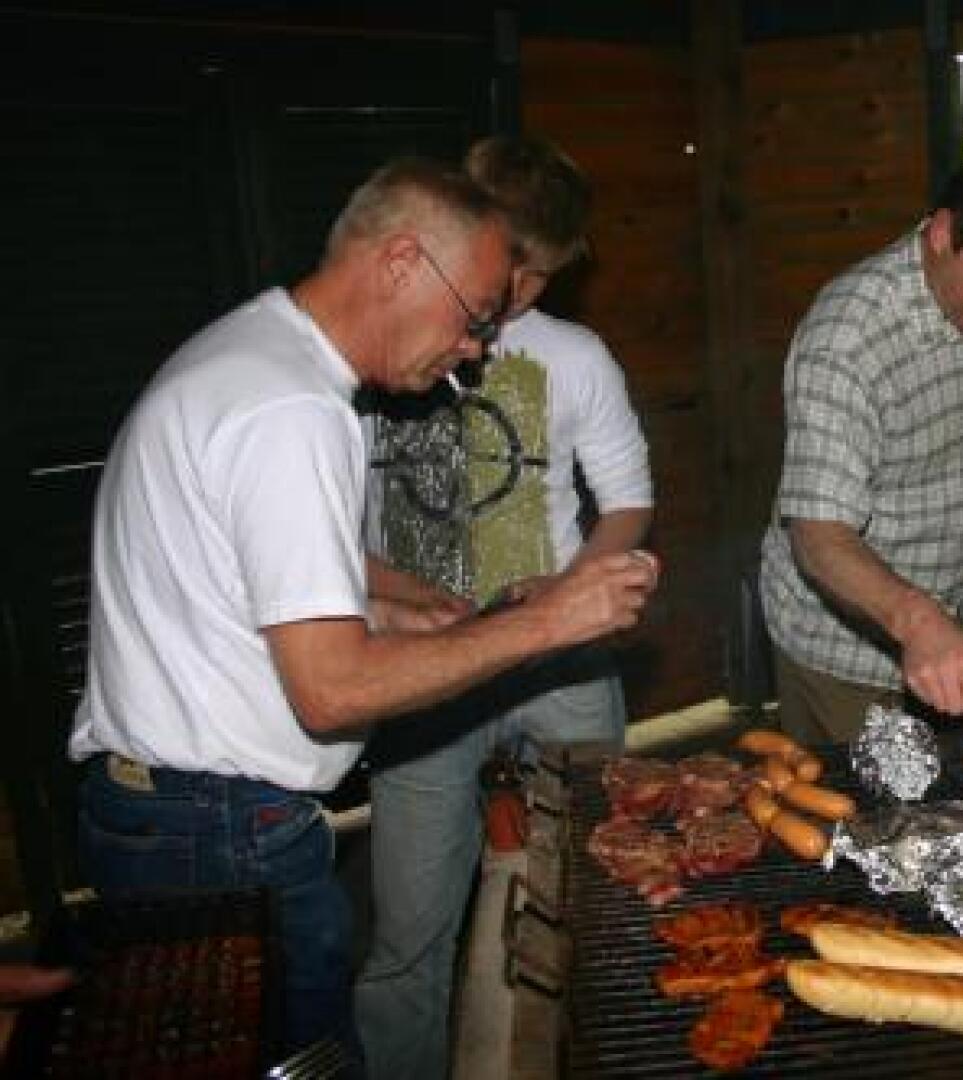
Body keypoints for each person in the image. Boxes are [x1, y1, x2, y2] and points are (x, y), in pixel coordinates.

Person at [66, 158, 659, 1060]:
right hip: (219, 831)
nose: (473, 351)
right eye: (470, 319)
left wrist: (395, 619)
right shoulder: (293, 412)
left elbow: (244, 590)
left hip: (174, 818)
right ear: (401, 263)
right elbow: (332, 692)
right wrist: (548, 620)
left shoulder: (247, 353)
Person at [354, 136, 653, 1079]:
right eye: (511, 265)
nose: (518, 289)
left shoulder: (577, 355)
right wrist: (390, 598)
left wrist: (568, 597)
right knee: (409, 931)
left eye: (538, 275)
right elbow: (318, 530)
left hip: (561, 666)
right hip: (420, 671)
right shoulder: (372, 350)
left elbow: (629, 503)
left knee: (602, 891)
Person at [759, 149, 963, 744]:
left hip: (952, 629)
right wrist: (919, 620)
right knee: (864, 832)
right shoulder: (848, 339)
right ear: (942, 234)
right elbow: (818, 535)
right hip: (843, 652)